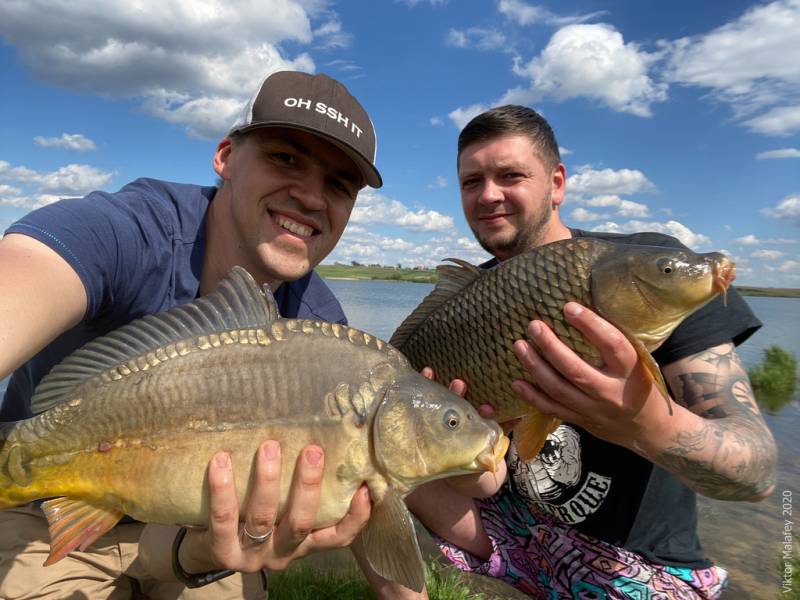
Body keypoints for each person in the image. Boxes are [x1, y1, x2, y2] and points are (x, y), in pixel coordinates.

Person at [356, 105, 777, 599]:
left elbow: (759, 475)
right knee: (363, 461)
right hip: (513, 527)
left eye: (510, 175)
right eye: (472, 182)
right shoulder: (476, 295)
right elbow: (488, 478)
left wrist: (645, 423)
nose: (489, 194)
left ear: (557, 183)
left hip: (637, 563)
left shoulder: (644, 261)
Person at [0, 70, 383, 599]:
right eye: (286, 158)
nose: (311, 197)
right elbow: (27, 274)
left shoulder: (322, 333)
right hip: (43, 501)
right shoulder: (129, 230)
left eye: (339, 184)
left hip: (197, 537)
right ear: (225, 156)